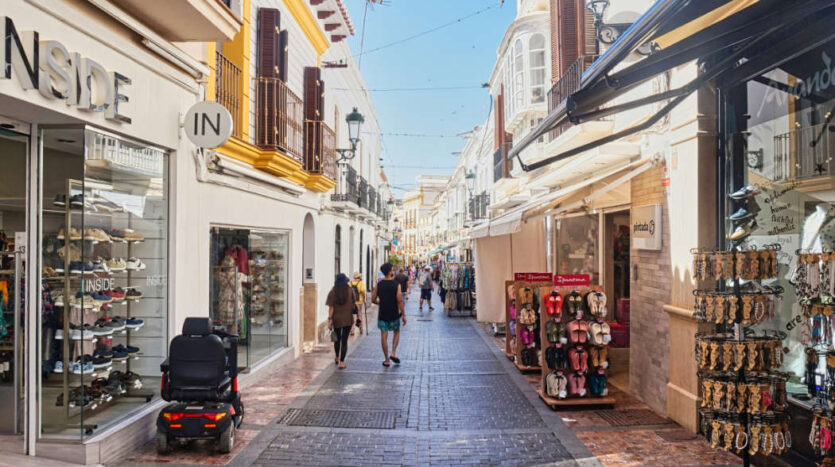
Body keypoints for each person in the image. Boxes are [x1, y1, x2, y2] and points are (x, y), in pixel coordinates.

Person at [372, 262, 405, 367]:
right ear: (390, 272)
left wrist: (380, 302)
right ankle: (393, 352)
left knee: (383, 336)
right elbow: (399, 300)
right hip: (394, 313)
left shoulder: (379, 284)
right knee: (396, 331)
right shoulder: (396, 285)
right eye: (392, 269)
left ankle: (386, 359)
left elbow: (373, 299)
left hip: (382, 313)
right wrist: (403, 314)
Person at [326, 273, 355, 369]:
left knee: (337, 339)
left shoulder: (333, 292)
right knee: (344, 340)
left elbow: (331, 308)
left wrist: (330, 319)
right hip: (347, 319)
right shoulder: (350, 291)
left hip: (336, 319)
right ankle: (342, 362)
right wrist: (358, 316)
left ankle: (337, 357)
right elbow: (354, 304)